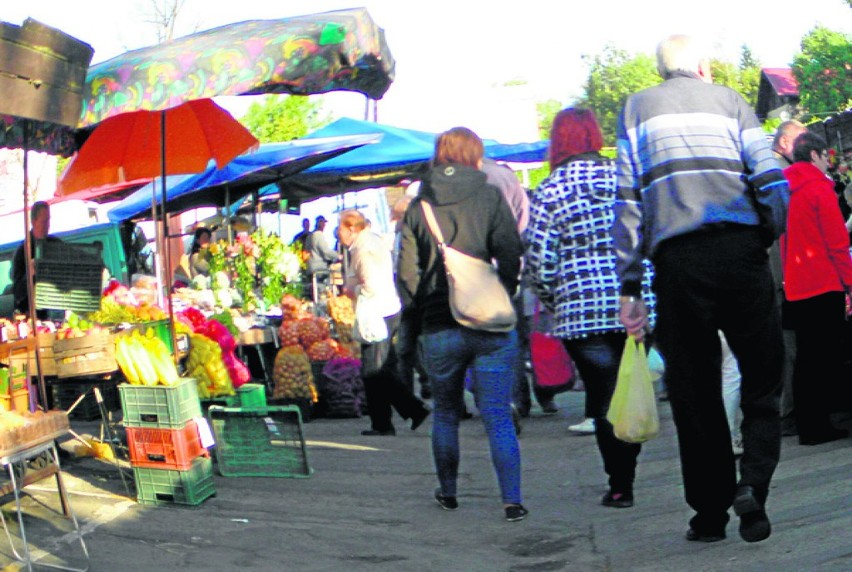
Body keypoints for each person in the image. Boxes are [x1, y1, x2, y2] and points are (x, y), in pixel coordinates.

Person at [613, 35, 789, 543]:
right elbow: (772, 179)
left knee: (695, 393)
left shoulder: (636, 109)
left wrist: (630, 286)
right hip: (741, 254)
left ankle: (708, 515)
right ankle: (753, 482)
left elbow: (628, 203)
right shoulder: (731, 101)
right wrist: (765, 233)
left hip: (678, 264)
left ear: (661, 70)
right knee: (762, 377)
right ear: (703, 67)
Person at [526, 107, 656, 509]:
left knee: (602, 397)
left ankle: (619, 486)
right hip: (636, 302)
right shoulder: (624, 175)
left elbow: (539, 262)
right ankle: (627, 472)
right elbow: (649, 232)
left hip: (581, 313)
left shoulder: (550, 190)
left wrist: (555, 301)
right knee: (631, 387)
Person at [397, 127, 527, 522]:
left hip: (439, 326)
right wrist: (499, 291)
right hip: (490, 324)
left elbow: (406, 273)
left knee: (447, 412)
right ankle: (512, 500)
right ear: (475, 157)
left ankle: (449, 492)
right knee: (497, 414)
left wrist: (422, 309)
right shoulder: (489, 196)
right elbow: (510, 252)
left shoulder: (420, 206)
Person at [780, 132, 852, 446]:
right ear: (815, 156)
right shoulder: (818, 189)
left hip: (795, 283)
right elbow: (837, 243)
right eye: (826, 157)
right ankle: (821, 424)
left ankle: (809, 423)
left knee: (806, 358)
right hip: (823, 281)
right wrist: (849, 281)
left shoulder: (783, 189)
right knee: (825, 356)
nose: (828, 163)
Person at [338, 209, 430, 437]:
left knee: (374, 371)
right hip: (383, 310)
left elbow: (369, 283)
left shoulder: (365, 248)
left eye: (339, 228)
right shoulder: (369, 242)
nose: (337, 233)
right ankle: (384, 422)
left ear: (351, 228)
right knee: (378, 368)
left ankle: (412, 409)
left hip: (377, 312)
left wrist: (352, 289)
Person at [770, 120, 807, 437]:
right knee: (788, 349)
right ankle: (786, 414)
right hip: (781, 278)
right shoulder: (780, 176)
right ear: (784, 142)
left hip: (778, 276)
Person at [12, 201, 61, 317]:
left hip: (57, 311)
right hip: (35, 317)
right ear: (34, 222)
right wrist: (29, 274)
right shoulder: (23, 252)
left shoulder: (56, 244)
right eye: (44, 221)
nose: (48, 225)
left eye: (49, 220)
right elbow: (17, 293)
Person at [304, 215, 339, 282]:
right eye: (323, 223)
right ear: (319, 223)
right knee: (337, 272)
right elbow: (325, 251)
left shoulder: (310, 236)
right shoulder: (318, 235)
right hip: (318, 268)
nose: (324, 225)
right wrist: (338, 256)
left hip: (310, 267)